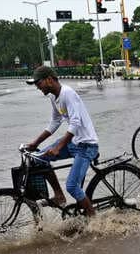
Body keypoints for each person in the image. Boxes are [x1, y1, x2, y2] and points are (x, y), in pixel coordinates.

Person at [24, 66, 99, 216]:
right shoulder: (54, 97)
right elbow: (55, 122)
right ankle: (59, 196)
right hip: (74, 142)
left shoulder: (67, 94)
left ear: (49, 80)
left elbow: (75, 122)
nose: (38, 88)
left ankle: (93, 217)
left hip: (87, 145)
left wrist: (59, 147)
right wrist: (35, 143)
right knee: (40, 159)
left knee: (72, 186)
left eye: (39, 84)